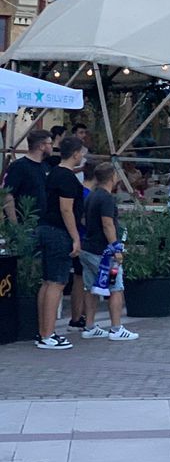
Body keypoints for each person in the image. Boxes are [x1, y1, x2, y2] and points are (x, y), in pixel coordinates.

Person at [34, 137, 86, 350]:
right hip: (58, 232)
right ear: (75, 153)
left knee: (48, 281)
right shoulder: (66, 177)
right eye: (81, 153)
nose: (82, 156)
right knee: (57, 282)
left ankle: (43, 331)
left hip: (47, 228)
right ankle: (48, 334)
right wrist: (75, 237)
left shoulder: (54, 172)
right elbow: (66, 209)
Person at [79, 163, 137, 341]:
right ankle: (116, 328)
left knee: (90, 287)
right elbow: (107, 224)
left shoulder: (91, 196)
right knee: (116, 287)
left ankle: (89, 326)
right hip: (104, 253)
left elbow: (83, 219)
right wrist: (115, 248)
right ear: (112, 177)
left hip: (88, 248)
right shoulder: (106, 198)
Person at [3, 128, 51, 223]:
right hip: (24, 223)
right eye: (50, 143)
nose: (51, 147)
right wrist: (14, 224)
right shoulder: (19, 166)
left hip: (41, 223)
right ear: (41, 146)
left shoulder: (45, 166)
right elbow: (8, 194)